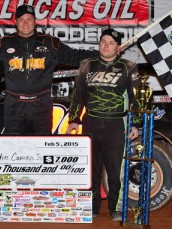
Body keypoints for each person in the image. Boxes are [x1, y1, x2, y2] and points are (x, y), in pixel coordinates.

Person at [66, 29, 140, 221]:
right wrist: (74, 120)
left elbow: (136, 98)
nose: (106, 46)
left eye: (111, 43)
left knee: (116, 170)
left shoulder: (129, 66)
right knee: (92, 169)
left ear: (119, 48)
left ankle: (116, 208)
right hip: (91, 122)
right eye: (103, 42)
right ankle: (93, 207)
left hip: (116, 124)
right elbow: (78, 96)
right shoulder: (86, 65)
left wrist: (136, 124)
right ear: (99, 44)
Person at [0, 4, 98, 135]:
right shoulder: (3, 44)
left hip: (41, 106)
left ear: (35, 21)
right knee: (15, 147)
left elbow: (75, 57)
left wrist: (101, 54)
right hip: (14, 106)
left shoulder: (49, 43)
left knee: (41, 147)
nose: (25, 23)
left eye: (29, 19)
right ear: (15, 21)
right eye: (21, 19)